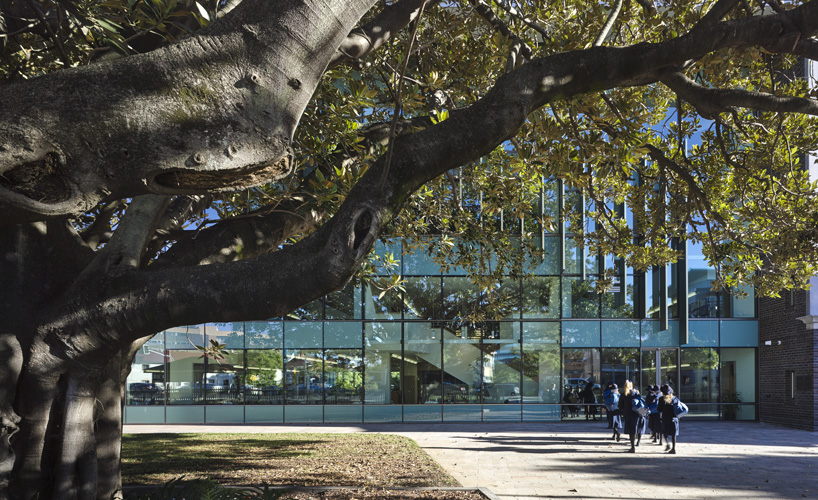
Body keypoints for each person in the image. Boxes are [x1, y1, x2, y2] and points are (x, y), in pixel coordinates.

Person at [618, 380, 648, 453]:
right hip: (637, 414)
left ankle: (632, 447)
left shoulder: (623, 395)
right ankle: (638, 442)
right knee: (636, 429)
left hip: (628, 415)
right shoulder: (636, 393)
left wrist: (623, 411)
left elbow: (620, 406)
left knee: (631, 431)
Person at [658, 384, 680, 454]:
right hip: (674, 419)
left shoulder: (661, 399)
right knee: (673, 434)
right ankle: (673, 448)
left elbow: (659, 409)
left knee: (665, 432)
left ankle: (667, 444)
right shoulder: (674, 398)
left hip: (665, 418)